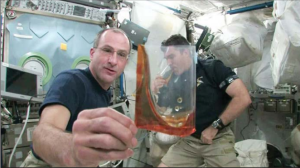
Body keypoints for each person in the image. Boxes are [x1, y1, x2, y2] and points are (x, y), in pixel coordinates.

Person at [21, 28, 138, 167]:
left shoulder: (105, 92)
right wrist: (73, 149)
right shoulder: (71, 81)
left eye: (121, 54)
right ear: (92, 54)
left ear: (126, 62)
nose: (113, 60)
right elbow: (42, 135)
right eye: (107, 50)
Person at [151, 34, 252, 167]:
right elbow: (163, 110)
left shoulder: (212, 68)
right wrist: (156, 92)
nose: (169, 63)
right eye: (167, 58)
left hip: (216, 139)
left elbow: (243, 97)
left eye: (172, 57)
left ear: (185, 52)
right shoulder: (172, 78)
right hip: (189, 141)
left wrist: (215, 126)